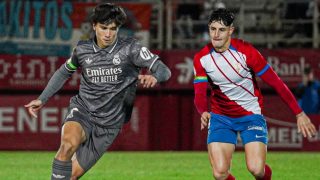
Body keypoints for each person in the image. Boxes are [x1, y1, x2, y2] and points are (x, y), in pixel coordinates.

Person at [24, 3, 171, 179]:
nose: (108, 34)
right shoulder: (82, 50)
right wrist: (42, 99)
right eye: (103, 28)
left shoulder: (131, 49)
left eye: (113, 29)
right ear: (94, 26)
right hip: (83, 110)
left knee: (71, 176)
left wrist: (155, 77)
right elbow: (64, 71)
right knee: (67, 145)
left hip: (110, 124)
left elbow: (165, 71)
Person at [193, 8, 316, 180]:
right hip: (221, 117)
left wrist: (299, 113)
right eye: (212, 29)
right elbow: (199, 92)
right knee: (219, 173)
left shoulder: (247, 52)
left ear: (231, 30)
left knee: (257, 170)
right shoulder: (201, 58)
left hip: (250, 115)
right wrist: (202, 111)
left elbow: (276, 83)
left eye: (221, 30)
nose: (216, 34)